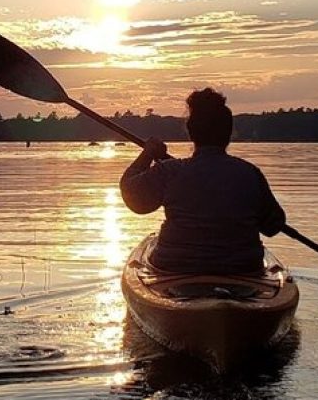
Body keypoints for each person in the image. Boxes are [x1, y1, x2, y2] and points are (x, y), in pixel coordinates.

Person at [120, 88, 285, 275]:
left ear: (190, 131)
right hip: (242, 268)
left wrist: (148, 154)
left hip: (175, 267)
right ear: (229, 132)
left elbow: (133, 198)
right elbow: (273, 226)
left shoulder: (170, 171)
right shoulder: (249, 174)